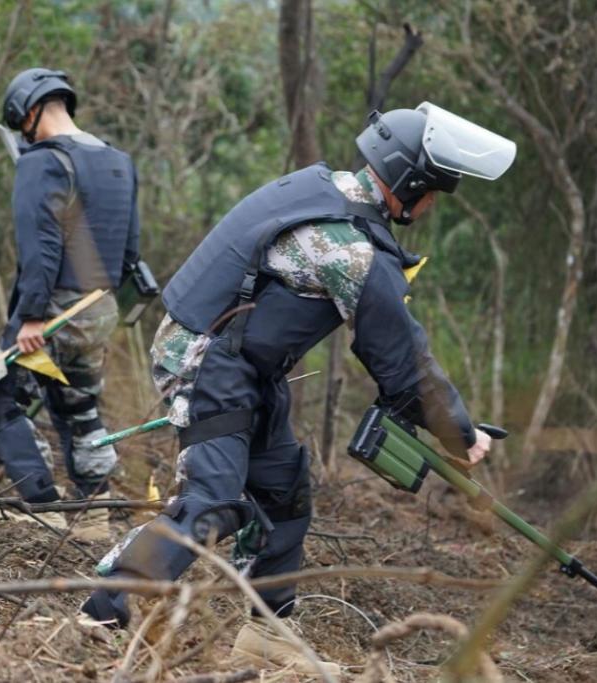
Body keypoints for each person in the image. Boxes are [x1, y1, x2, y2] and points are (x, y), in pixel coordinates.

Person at [81, 102, 516, 673]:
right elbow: (402, 359)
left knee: (284, 491)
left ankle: (266, 632)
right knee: (215, 498)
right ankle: (104, 610)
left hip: (243, 363)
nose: (433, 203)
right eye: (433, 191)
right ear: (409, 184)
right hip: (208, 362)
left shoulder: (325, 190)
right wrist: (460, 433)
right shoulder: (351, 251)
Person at [0, 68, 142, 541]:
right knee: (78, 405)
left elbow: (40, 247)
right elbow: (130, 250)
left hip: (53, 312)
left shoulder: (41, 163)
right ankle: (93, 514)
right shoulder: (119, 161)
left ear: (28, 113)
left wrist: (31, 316)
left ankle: (41, 506)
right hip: (99, 308)